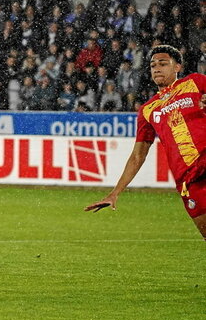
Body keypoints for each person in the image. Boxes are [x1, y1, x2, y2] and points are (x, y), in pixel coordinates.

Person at [85, 45, 206, 239]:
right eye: (152, 65)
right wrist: (115, 192)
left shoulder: (195, 82)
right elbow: (138, 155)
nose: (157, 68)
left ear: (177, 67)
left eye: (163, 63)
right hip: (188, 180)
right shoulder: (148, 110)